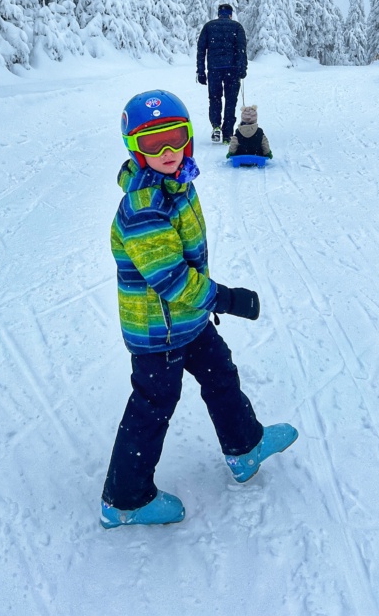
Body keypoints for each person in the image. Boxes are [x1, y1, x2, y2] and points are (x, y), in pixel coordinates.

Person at [101, 89, 298, 528]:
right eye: (153, 143)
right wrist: (226, 298)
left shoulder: (176, 182)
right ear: (135, 148)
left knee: (220, 373)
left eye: (175, 137)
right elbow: (172, 281)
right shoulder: (143, 209)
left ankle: (244, 448)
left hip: (185, 322)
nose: (168, 151)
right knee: (153, 404)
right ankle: (125, 499)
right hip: (159, 332)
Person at [196, 4, 248, 144]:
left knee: (215, 98)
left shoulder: (209, 27)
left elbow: (201, 51)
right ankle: (228, 133)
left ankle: (216, 126)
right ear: (230, 14)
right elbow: (241, 50)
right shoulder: (237, 27)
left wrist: (200, 71)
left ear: (219, 14)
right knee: (231, 101)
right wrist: (243, 68)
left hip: (214, 70)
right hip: (232, 70)